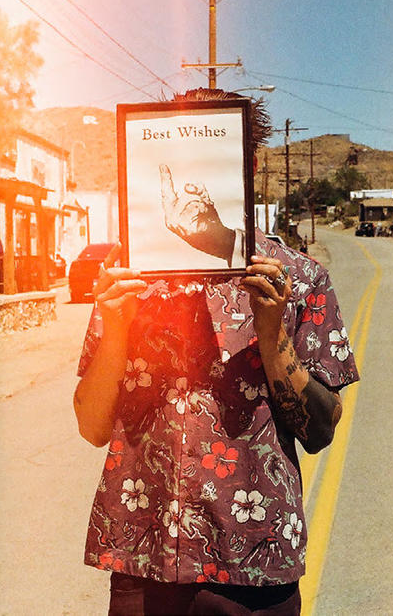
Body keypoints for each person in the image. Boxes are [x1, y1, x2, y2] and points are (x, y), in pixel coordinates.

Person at [73, 89, 359, 615]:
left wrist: (272, 336)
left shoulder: (297, 278)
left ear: (249, 165)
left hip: (256, 562)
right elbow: (92, 427)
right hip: (144, 563)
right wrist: (115, 328)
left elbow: (320, 430)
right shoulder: (128, 279)